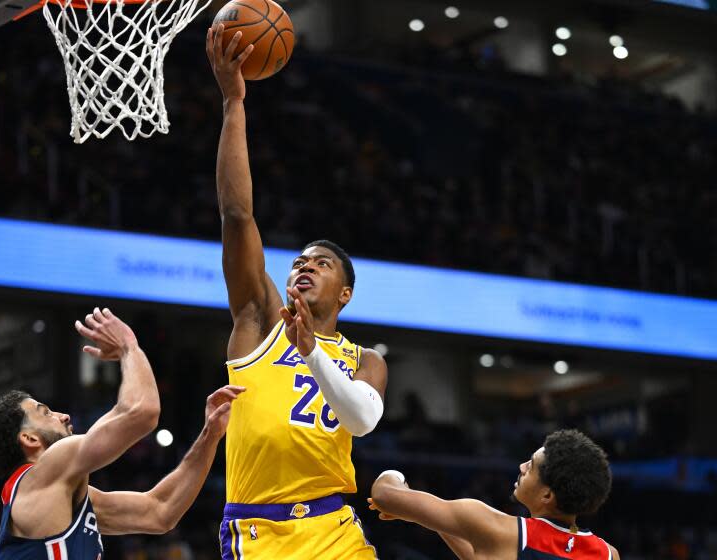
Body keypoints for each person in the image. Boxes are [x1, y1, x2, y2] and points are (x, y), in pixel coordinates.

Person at [205, 24, 388, 559]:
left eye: (322, 263)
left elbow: (361, 420)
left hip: (335, 528)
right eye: (299, 261)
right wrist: (234, 103)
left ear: (345, 294)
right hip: (259, 533)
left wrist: (310, 351)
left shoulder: (366, 360)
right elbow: (237, 216)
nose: (305, 267)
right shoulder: (258, 320)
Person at [0, 307, 245, 558]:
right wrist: (129, 347)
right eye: (45, 413)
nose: (63, 415)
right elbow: (140, 412)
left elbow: (160, 511)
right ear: (29, 439)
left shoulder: (59, 494)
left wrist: (210, 436)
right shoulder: (46, 471)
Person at [369, 429, 620, 560]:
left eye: (531, 466)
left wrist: (396, 478)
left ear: (547, 496)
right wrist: (429, 518)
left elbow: (383, 494)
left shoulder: (500, 530)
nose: (522, 467)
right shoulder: (607, 554)